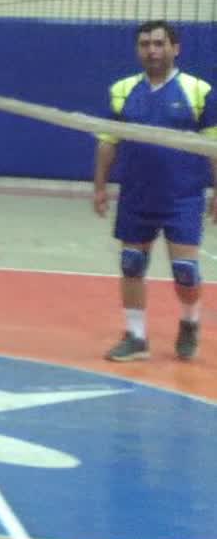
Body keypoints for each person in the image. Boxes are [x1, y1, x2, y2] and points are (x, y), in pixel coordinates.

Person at [93, 20, 217, 363]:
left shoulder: (198, 90)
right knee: (131, 264)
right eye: (145, 44)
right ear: (138, 50)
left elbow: (213, 147)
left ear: (175, 48)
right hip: (136, 194)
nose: (152, 50)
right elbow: (107, 142)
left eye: (159, 43)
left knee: (186, 271)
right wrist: (100, 186)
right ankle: (136, 336)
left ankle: (190, 321)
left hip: (183, 196)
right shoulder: (122, 90)